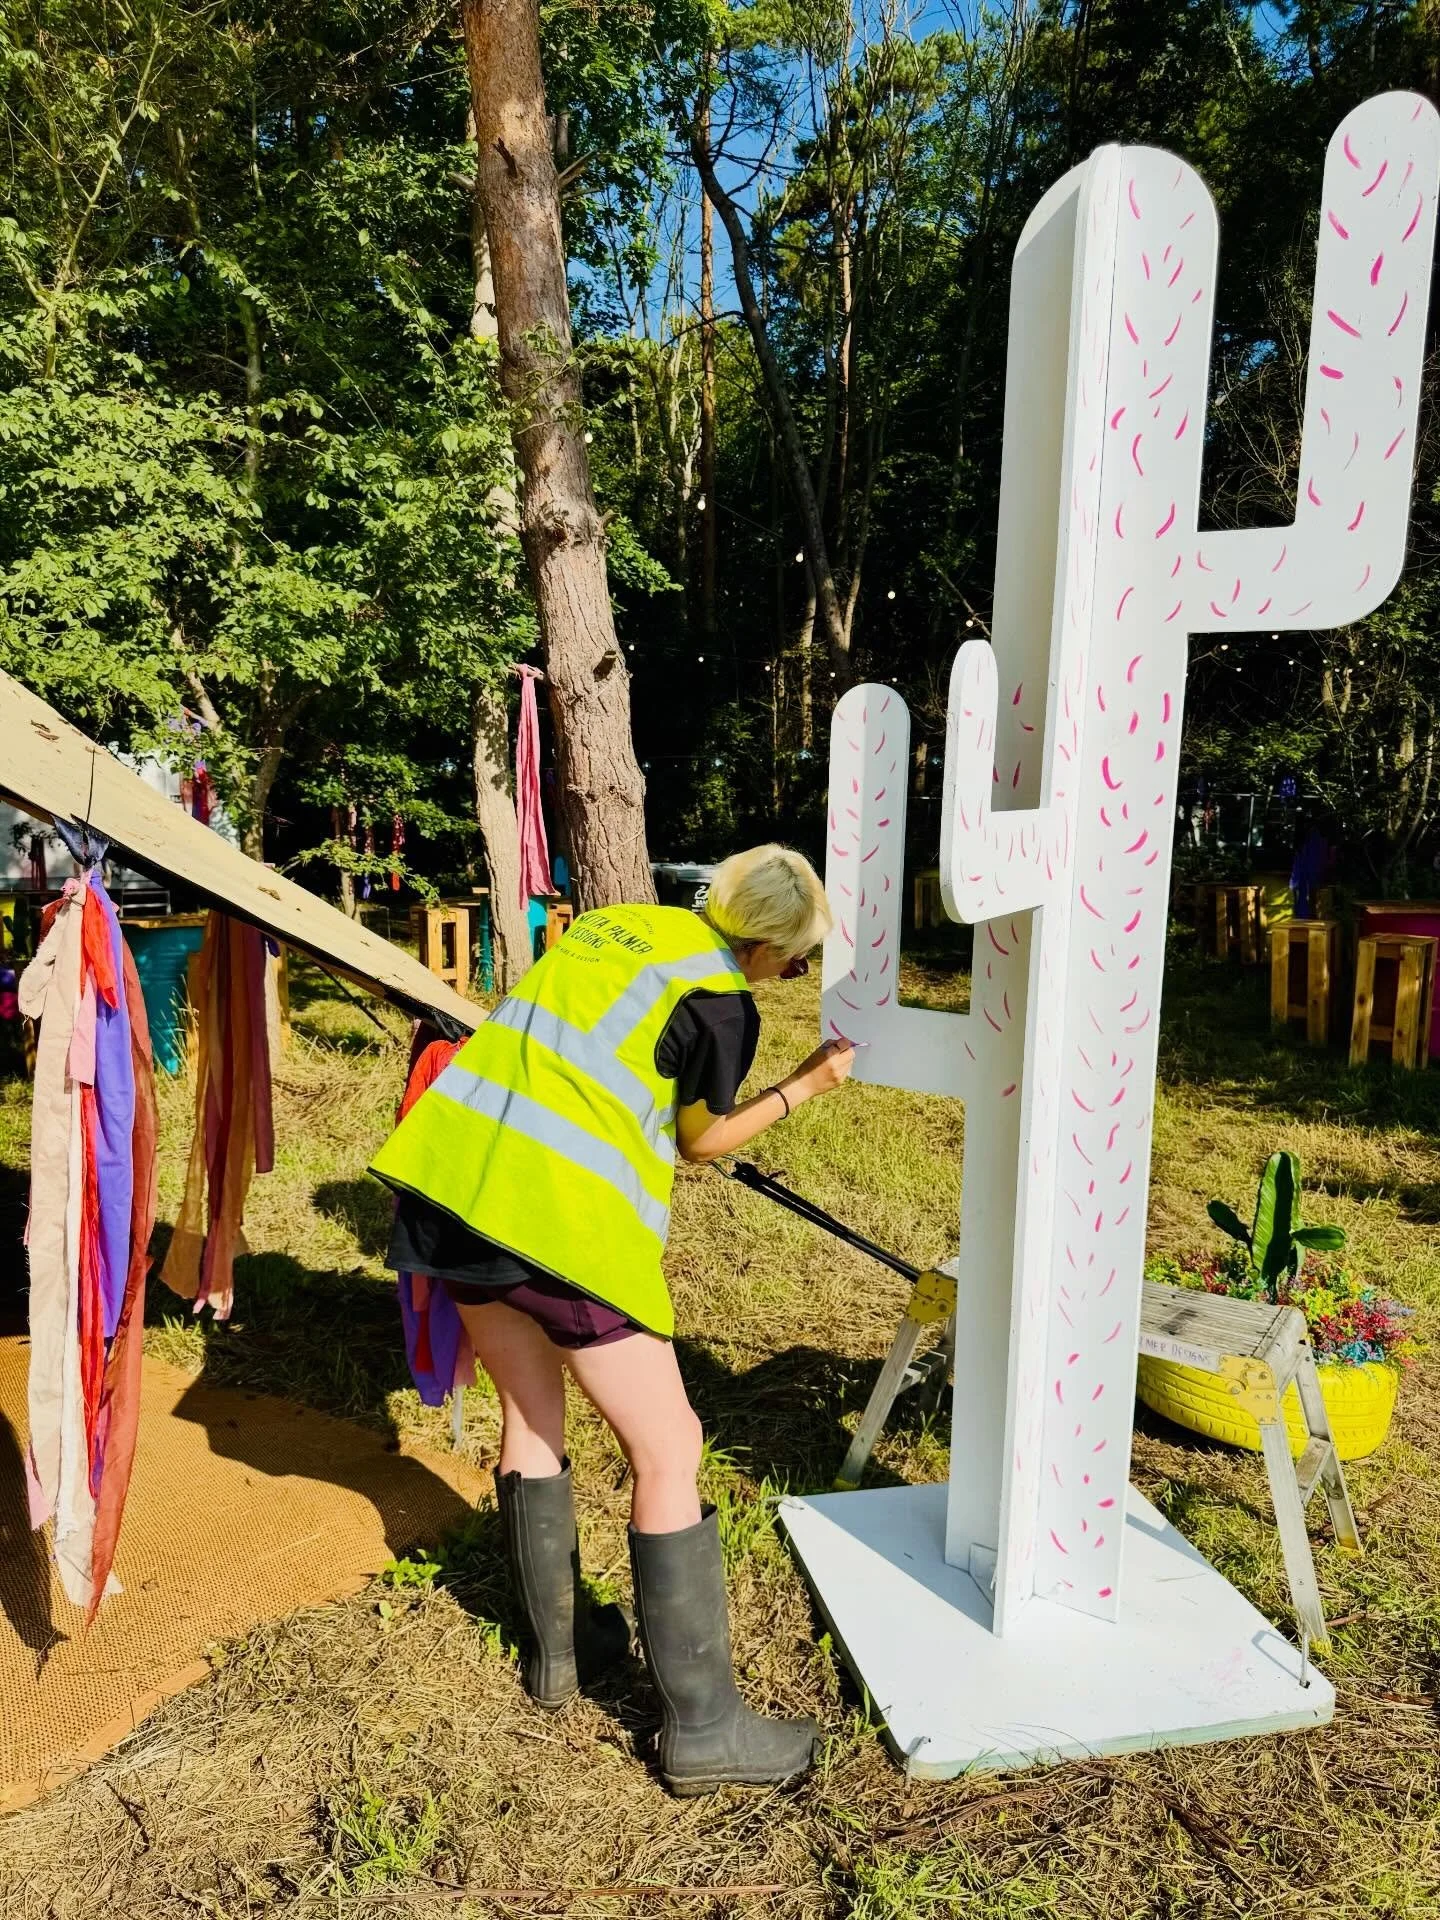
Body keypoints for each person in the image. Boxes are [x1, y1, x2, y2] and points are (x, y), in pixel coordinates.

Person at [369, 845, 856, 1796]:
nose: (790, 976)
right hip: (557, 1220)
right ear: (765, 945)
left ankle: (557, 1660)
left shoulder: (607, 926)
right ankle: (706, 1731)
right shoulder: (723, 1003)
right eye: (795, 961)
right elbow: (702, 1140)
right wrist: (807, 1086)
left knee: (528, 1418)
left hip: (454, 1187)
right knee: (670, 1448)